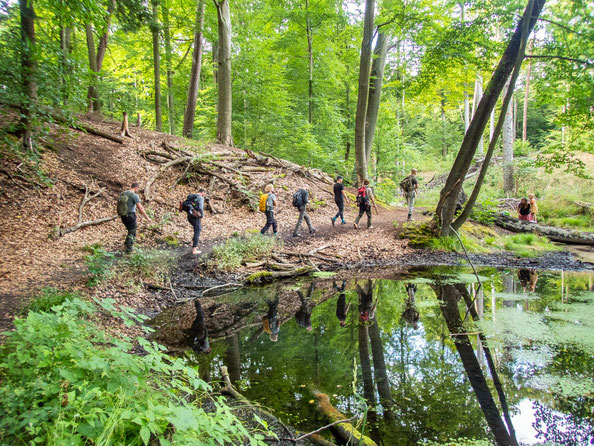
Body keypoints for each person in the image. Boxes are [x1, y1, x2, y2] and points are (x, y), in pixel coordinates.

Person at [117, 182, 151, 252]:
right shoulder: (134, 195)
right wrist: (147, 217)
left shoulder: (122, 193)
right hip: (130, 216)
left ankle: (126, 244)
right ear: (136, 188)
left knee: (130, 230)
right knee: (132, 232)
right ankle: (129, 250)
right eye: (138, 189)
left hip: (123, 216)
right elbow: (140, 208)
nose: (137, 190)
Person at [183, 189, 206, 255]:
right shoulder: (200, 198)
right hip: (195, 216)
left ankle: (192, 242)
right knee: (198, 230)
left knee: (196, 229)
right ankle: (194, 250)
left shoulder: (192, 196)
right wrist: (202, 216)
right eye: (204, 194)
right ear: (202, 192)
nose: (204, 195)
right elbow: (200, 208)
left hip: (189, 216)